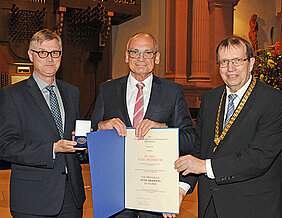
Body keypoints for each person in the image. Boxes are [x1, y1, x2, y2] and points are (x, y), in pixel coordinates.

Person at [170, 35, 282, 218]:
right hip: (210, 204)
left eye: (237, 60)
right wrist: (181, 189)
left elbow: (259, 157)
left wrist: (205, 166)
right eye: (224, 62)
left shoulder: (273, 101)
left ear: (251, 62)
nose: (231, 68)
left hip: (252, 206)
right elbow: (200, 150)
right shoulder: (210, 99)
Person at [91, 32, 195, 217]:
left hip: (156, 190)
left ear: (157, 57)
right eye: (135, 52)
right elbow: (90, 137)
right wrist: (101, 127)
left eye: (148, 53)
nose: (141, 58)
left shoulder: (173, 91)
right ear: (126, 56)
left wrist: (163, 130)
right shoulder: (107, 90)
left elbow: (190, 140)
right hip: (117, 192)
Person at [0, 29, 86, 217]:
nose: (50, 59)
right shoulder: (12, 95)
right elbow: (6, 146)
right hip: (33, 200)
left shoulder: (72, 92)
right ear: (31, 55)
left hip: (71, 197)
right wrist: (52, 148)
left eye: (55, 53)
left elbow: (73, 136)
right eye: (43, 53)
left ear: (61, 55)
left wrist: (82, 143)